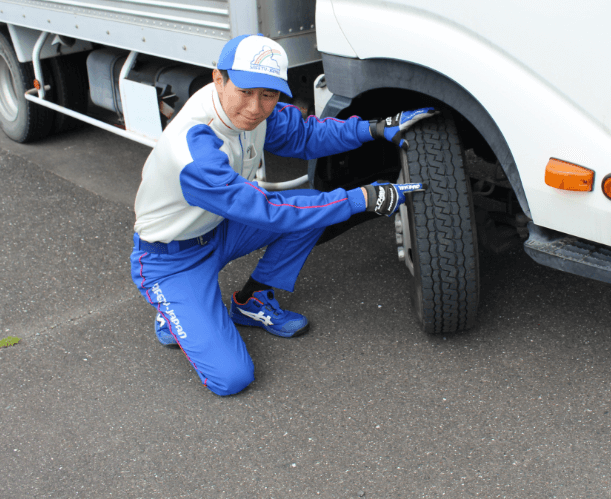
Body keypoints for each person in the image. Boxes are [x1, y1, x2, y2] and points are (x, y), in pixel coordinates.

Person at [129, 34, 435, 396]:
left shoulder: (251, 111)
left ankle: (251, 301)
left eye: (268, 94)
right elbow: (267, 211)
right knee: (231, 379)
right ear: (219, 79)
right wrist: (360, 198)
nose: (256, 107)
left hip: (220, 229)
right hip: (172, 259)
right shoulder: (194, 148)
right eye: (245, 91)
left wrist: (375, 128)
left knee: (311, 209)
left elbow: (306, 134)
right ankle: (174, 311)